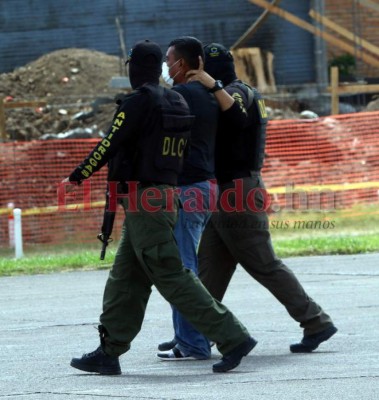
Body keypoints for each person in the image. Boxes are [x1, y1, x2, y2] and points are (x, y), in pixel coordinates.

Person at [61, 39, 256, 375]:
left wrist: (78, 175)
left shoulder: (140, 101)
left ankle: (232, 336)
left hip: (146, 201)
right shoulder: (175, 100)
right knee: (125, 279)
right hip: (162, 198)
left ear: (134, 67)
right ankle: (110, 349)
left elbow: (110, 143)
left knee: (172, 275)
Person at [186, 43, 337, 353]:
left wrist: (210, 84)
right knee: (209, 269)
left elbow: (237, 115)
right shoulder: (230, 90)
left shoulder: (236, 92)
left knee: (264, 264)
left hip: (238, 191)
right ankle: (195, 335)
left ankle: (316, 321)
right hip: (225, 192)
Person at [157, 36, 242, 361]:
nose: (166, 65)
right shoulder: (210, 95)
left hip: (188, 189)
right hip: (206, 187)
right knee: (186, 265)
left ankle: (194, 341)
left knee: (182, 268)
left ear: (183, 62)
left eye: (169, 59)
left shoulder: (181, 96)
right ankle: (189, 338)